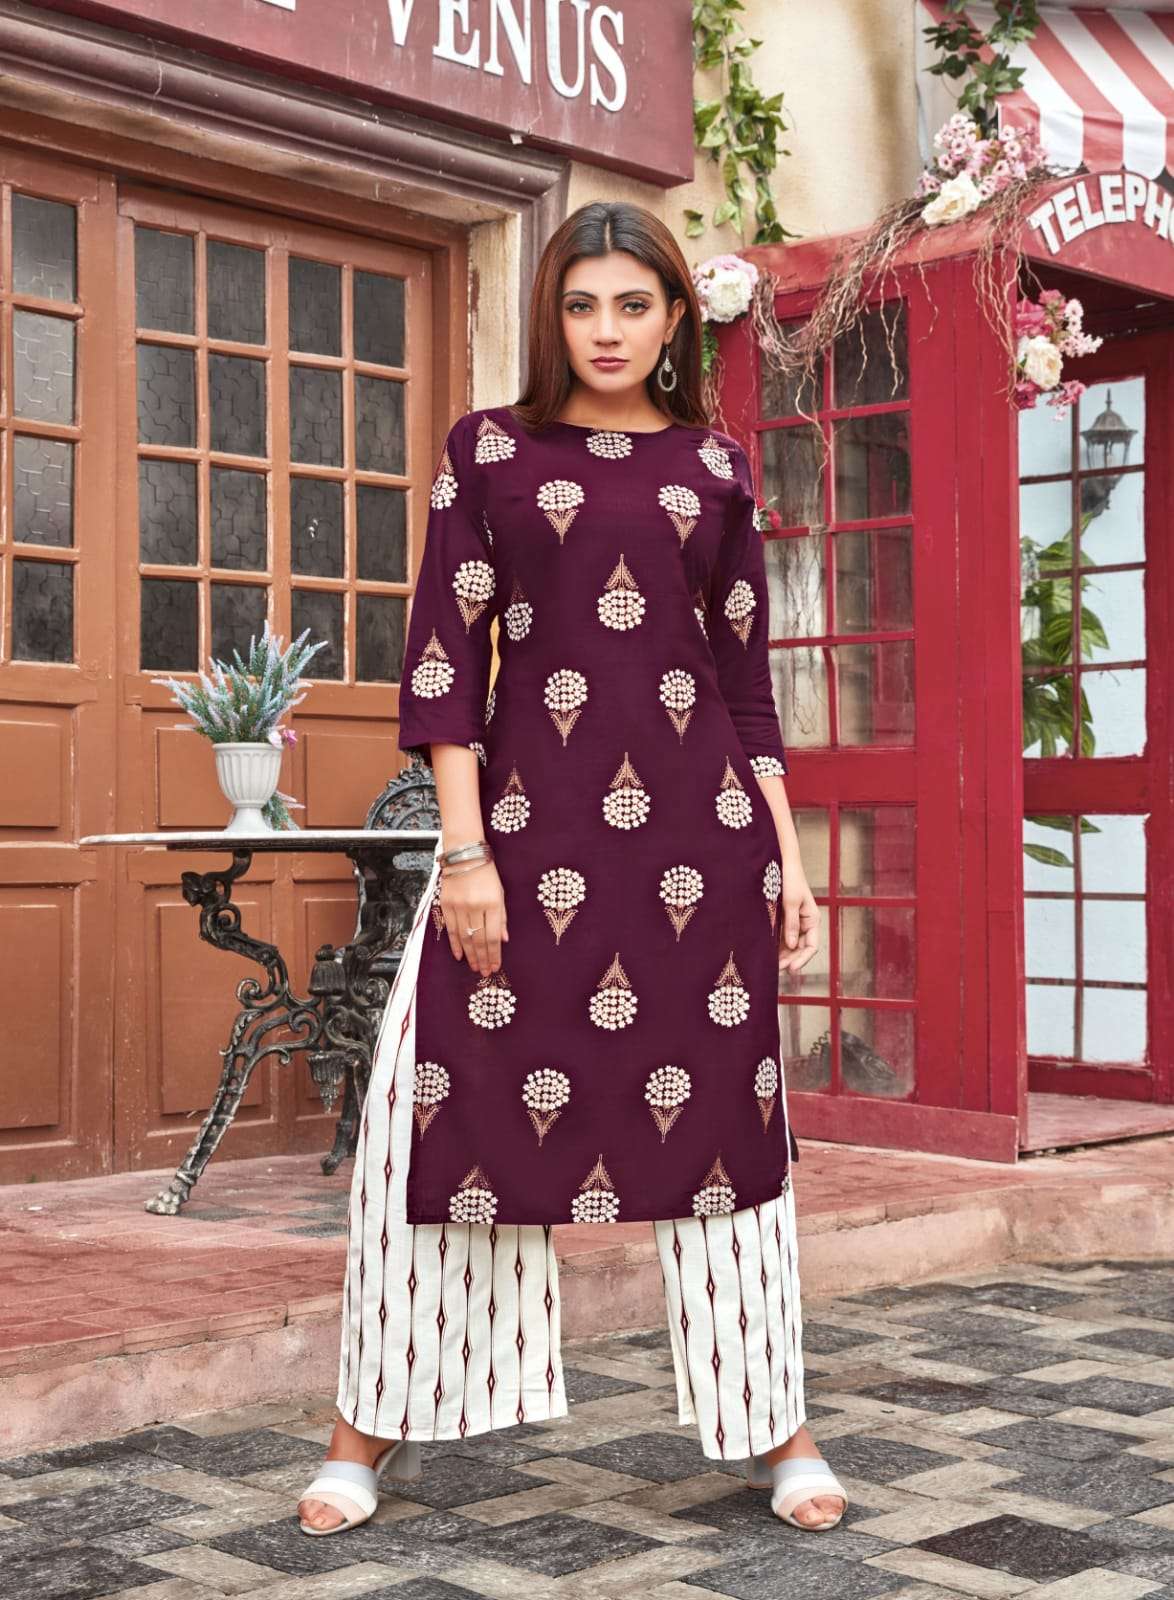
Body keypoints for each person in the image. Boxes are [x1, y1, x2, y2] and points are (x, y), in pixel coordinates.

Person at [297, 200, 845, 1537]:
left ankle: (775, 1427)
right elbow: (442, 667)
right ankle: (366, 1430)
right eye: (582, 305)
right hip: (521, 840)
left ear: (674, 320)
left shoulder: (714, 468)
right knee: (436, 1114)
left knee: (726, 1137)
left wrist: (789, 860)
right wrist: (464, 854)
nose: (607, 331)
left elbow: (744, 689)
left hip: (698, 851)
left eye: (633, 305)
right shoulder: (487, 451)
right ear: (552, 316)